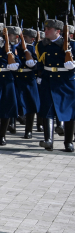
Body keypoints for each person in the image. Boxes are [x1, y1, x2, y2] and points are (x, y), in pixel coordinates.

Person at [34, 19, 75, 152]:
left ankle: (68, 142)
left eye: (48, 29)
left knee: (69, 112)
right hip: (48, 79)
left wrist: (73, 67)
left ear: (58, 31)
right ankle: (48, 140)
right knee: (47, 109)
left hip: (66, 81)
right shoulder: (41, 45)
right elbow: (40, 63)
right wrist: (39, 76)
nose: (45, 31)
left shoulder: (71, 44)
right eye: (45, 29)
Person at [17, 28, 40, 139]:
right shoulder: (15, 48)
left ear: (32, 39)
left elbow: (37, 64)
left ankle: (28, 130)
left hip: (29, 78)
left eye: (25, 38)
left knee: (31, 105)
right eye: (22, 37)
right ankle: (17, 118)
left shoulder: (33, 49)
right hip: (17, 77)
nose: (23, 39)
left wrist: (28, 52)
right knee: (16, 101)